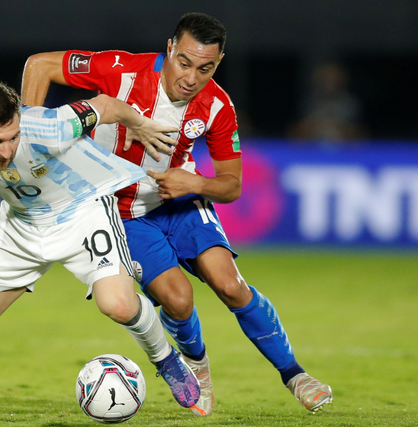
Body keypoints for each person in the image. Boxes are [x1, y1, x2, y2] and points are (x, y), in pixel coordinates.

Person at [21, 12, 333, 416]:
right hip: (119, 213)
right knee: (179, 300)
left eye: (205, 68)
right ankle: (198, 367)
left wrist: (195, 184)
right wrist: (29, 134)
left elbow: (232, 184)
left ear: (217, 64)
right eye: (184, 62)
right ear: (170, 48)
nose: (191, 77)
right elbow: (39, 65)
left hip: (180, 199)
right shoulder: (120, 70)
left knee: (231, 284)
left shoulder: (218, 105)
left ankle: (295, 375)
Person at [0, 81, 200, 413]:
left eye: (13, 137)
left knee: (118, 305)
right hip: (22, 226)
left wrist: (140, 123)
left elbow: (106, 105)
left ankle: (166, 359)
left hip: (84, 211)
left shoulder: (49, 125)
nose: (6, 151)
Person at [288, 60, 367, 142]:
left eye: (334, 77)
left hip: (345, 152)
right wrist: (316, 126)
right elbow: (292, 134)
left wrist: (337, 128)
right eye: (325, 77)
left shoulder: (352, 105)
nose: (330, 81)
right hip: (311, 151)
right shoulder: (307, 103)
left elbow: (363, 136)